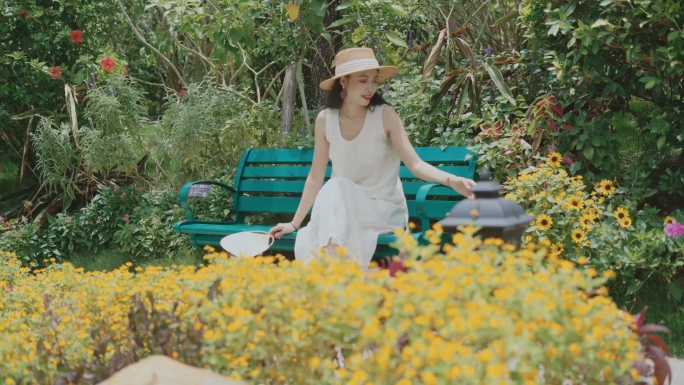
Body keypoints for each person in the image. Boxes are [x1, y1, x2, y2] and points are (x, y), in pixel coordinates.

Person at [268, 47, 476, 269]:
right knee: (335, 188)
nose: (370, 88)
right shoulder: (325, 120)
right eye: (362, 80)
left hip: (382, 210)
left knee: (336, 187)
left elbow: (415, 164)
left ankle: (333, 284)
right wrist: (294, 223)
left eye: (374, 81)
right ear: (343, 82)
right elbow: (315, 176)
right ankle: (340, 281)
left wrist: (452, 180)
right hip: (342, 210)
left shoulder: (385, 115)